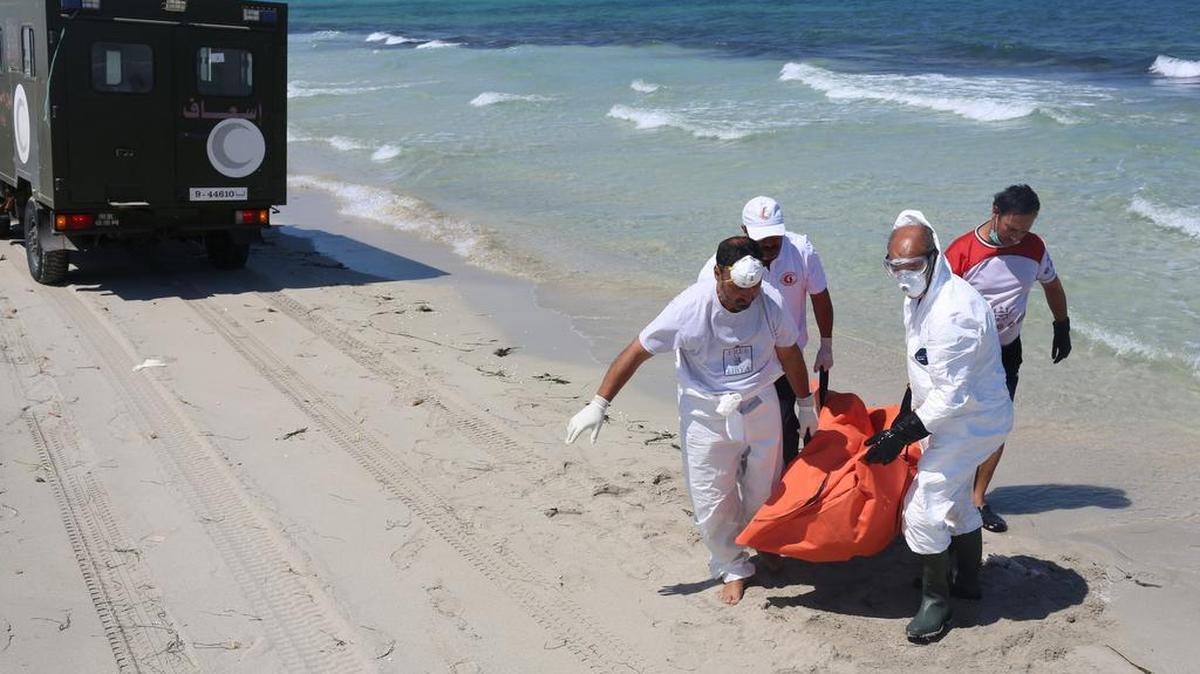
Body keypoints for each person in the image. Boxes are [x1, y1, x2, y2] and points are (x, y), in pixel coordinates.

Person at [565, 236, 815, 605]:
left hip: (759, 403)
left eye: (753, 288)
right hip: (705, 412)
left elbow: (789, 352)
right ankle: (732, 565)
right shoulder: (688, 308)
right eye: (737, 290)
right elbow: (637, 351)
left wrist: (805, 404)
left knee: (766, 488)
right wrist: (599, 404)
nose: (746, 298)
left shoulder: (769, 301)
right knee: (712, 498)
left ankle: (762, 542)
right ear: (718, 273)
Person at [863, 210, 1013, 643]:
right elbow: (923, 365)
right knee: (955, 502)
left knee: (924, 506)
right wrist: (909, 410)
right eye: (895, 266)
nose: (903, 275)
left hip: (974, 422)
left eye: (912, 266)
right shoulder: (919, 290)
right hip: (948, 416)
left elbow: (954, 396)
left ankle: (936, 602)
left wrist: (898, 435)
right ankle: (966, 581)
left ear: (935, 256)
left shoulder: (955, 315)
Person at [945, 184, 1071, 533]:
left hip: (1006, 350)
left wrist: (1062, 325)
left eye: (1024, 230)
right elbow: (933, 311)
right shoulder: (961, 252)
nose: (1017, 237)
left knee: (996, 425)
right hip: (964, 354)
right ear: (995, 212)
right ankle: (945, 492)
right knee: (953, 424)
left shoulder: (1034, 247)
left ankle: (978, 499)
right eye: (1011, 228)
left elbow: (1053, 285)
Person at [697, 196, 833, 465]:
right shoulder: (722, 266)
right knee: (745, 426)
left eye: (775, 237)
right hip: (742, 358)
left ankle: (787, 481)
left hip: (786, 357)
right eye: (762, 240)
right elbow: (706, 318)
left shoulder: (802, 250)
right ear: (745, 232)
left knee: (786, 421)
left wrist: (826, 344)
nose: (770, 245)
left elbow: (820, 296)